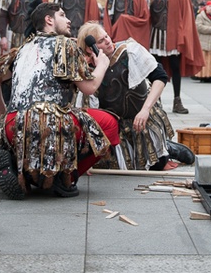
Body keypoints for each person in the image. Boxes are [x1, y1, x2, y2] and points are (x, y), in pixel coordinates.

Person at [0, 2, 118, 199]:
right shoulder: (66, 45)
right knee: (111, 124)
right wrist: (103, 64)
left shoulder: (23, 48)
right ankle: (64, 178)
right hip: (51, 125)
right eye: (62, 15)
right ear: (49, 20)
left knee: (45, 126)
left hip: (14, 126)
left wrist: (4, 116)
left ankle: (25, 171)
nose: (68, 19)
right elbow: (89, 88)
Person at [77, 23, 193, 170]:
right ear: (90, 48)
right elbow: (86, 112)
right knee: (109, 166)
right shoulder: (88, 70)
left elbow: (161, 77)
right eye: (100, 41)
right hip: (117, 126)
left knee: (157, 166)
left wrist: (145, 109)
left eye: (106, 36)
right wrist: (86, 158)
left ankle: (166, 148)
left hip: (143, 118)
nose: (107, 41)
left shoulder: (130, 51)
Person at [144, 0, 204, 114]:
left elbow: (186, 14)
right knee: (155, 69)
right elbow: (145, 13)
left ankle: (177, 101)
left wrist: (183, 34)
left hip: (173, 36)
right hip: (155, 37)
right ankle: (155, 102)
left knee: (175, 67)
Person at [194, 1, 211, 80]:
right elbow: (199, 27)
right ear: (206, 7)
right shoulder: (200, 16)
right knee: (205, 60)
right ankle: (203, 75)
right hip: (204, 41)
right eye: (209, 6)